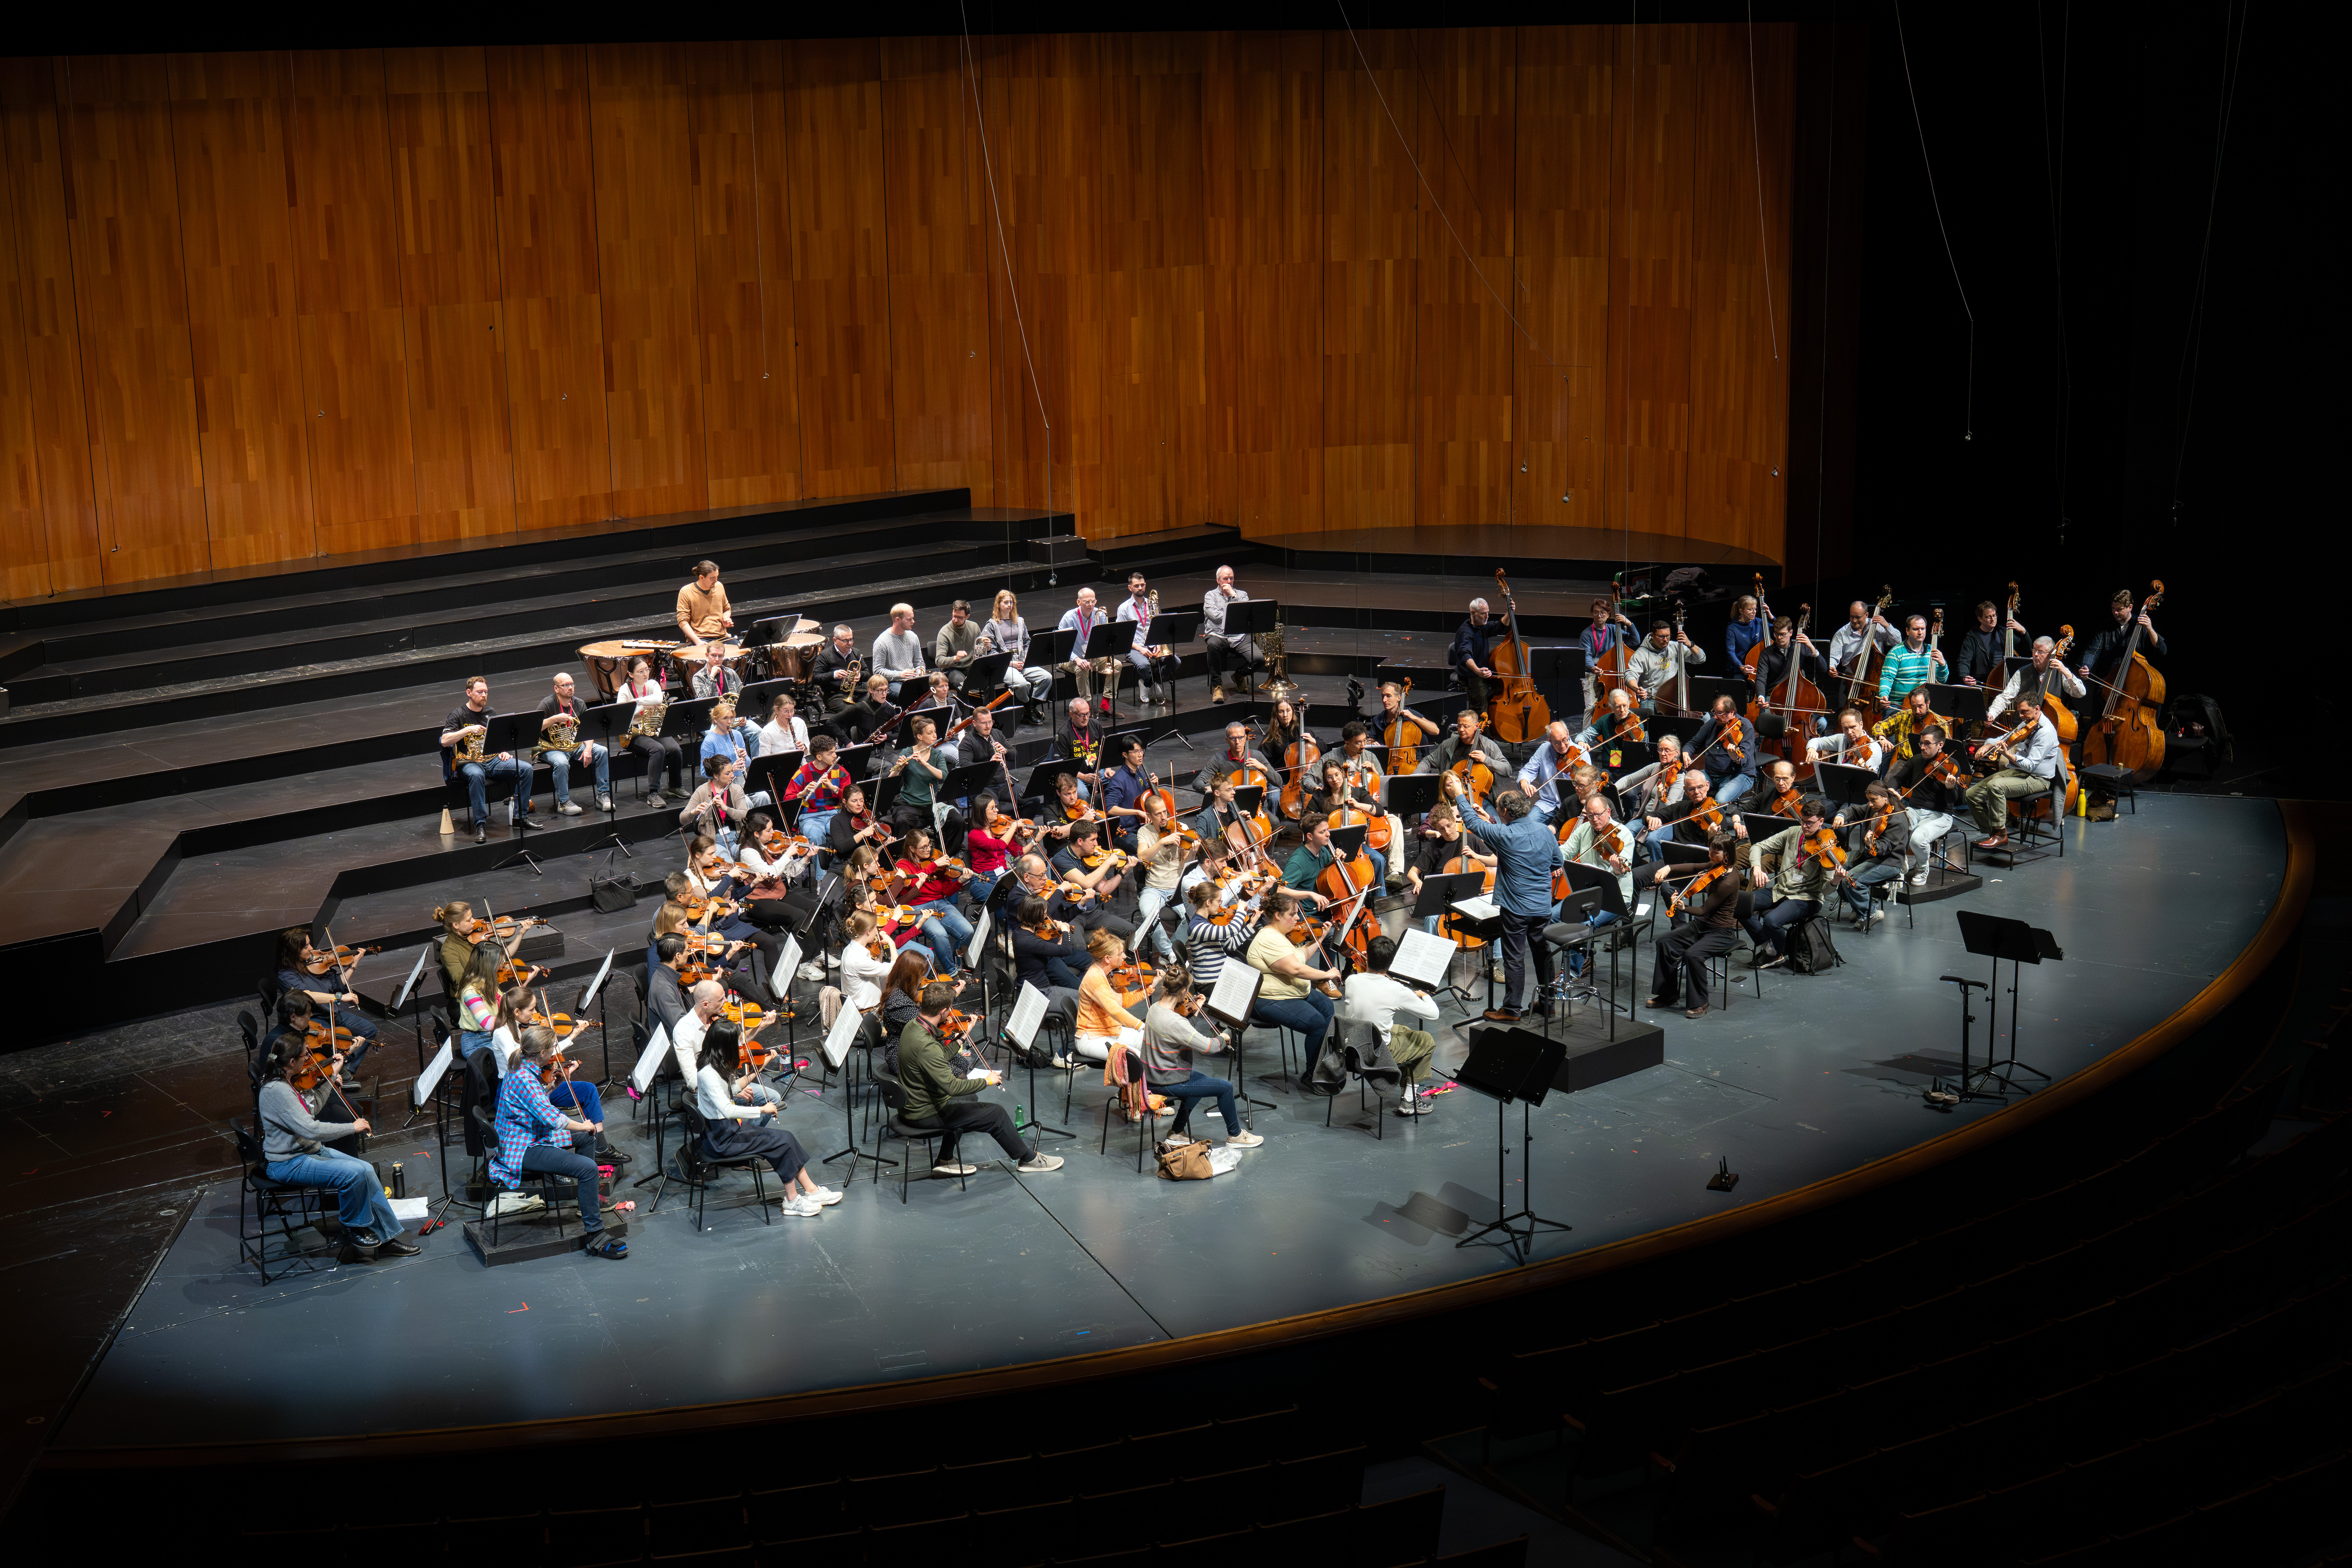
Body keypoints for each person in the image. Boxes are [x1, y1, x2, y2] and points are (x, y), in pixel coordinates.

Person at [258, 1036, 420, 1261]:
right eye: (305, 1055)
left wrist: (330, 1078)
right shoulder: (277, 1091)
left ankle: (388, 1239)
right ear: (292, 1061)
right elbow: (311, 1129)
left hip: (308, 1151)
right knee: (352, 1174)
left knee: (366, 1170)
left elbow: (312, 1107)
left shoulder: (289, 1081)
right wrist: (351, 1128)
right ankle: (351, 1228)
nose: (309, 1059)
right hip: (288, 1162)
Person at [898, 981, 1065, 1175]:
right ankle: (1028, 1160)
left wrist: (962, 1038)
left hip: (913, 1106)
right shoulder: (927, 1045)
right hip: (924, 1114)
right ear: (944, 1011)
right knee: (996, 1114)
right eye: (950, 1008)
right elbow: (952, 1087)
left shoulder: (913, 1027)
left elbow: (938, 1058)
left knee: (970, 1100)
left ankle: (945, 1158)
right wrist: (988, 1080)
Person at [493, 1029, 627, 1258]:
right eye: (553, 1049)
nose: (556, 1053)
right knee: (588, 1166)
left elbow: (533, 1104)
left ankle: (586, 1201)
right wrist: (584, 1124)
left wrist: (551, 1088)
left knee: (588, 1138)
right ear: (543, 1052)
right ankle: (595, 1235)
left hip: (530, 1135)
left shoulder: (522, 1067)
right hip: (523, 1148)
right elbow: (553, 1120)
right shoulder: (524, 1078)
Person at [1444, 775, 1562, 1022]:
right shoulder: (1545, 831)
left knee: (1515, 958)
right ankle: (1549, 1004)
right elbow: (1557, 863)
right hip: (1542, 908)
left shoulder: (1505, 836)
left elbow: (1472, 823)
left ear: (1506, 812)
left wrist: (1460, 795)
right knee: (1543, 954)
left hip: (1517, 910)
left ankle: (1511, 1010)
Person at [697, 1022, 837, 1215]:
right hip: (722, 1140)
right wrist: (762, 1109)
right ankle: (792, 1201)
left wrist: (758, 1070)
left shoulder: (714, 1065)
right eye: (736, 1044)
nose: (740, 1048)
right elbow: (728, 1110)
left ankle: (811, 1191)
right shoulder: (708, 1074)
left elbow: (730, 1089)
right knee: (780, 1143)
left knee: (786, 1138)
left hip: (728, 1131)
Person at [1144, 970, 1261, 1146]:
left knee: (1202, 1082)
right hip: (1167, 1081)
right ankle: (1236, 1136)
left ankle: (1176, 1132)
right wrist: (1226, 1036)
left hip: (1154, 1075)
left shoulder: (1155, 1008)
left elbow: (1181, 1032)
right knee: (1225, 1088)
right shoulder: (1175, 1021)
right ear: (1183, 992)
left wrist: (1195, 1012)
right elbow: (1209, 1047)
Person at [1340, 935, 1440, 1116]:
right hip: (1377, 1054)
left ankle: (1407, 1079)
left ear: (1367, 956)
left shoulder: (1352, 981)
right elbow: (1433, 1015)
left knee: (1403, 1031)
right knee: (1425, 1040)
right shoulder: (1396, 990)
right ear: (1392, 962)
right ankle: (1410, 1100)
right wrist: (1424, 995)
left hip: (1352, 1049)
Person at [1647, 831, 1740, 1018]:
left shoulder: (1729, 882)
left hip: (1722, 932)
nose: (1710, 856)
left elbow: (1704, 910)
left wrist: (1684, 907)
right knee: (1665, 942)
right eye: (1710, 851)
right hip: (1703, 926)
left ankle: (1701, 1002)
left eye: (1715, 853)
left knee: (1693, 955)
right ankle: (1668, 995)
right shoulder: (1716, 865)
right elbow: (1694, 867)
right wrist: (1669, 868)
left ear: (1727, 856)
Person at [440, 676, 539, 842]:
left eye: (486, 692)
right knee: (476, 775)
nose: (484, 695)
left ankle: (519, 818)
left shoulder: (491, 713)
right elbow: (444, 741)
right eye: (480, 692)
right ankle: (481, 825)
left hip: (492, 760)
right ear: (469, 693)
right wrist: (468, 730)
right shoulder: (458, 715)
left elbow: (500, 738)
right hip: (469, 762)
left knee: (526, 769)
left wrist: (504, 751)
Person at [1744, 797, 1840, 968]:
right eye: (1803, 821)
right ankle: (1771, 948)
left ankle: (1780, 950)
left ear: (1822, 822)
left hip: (1806, 898)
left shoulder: (1828, 847)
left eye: (1810, 823)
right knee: (1741, 904)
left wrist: (1836, 881)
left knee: (1772, 921)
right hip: (1781, 890)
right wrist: (1757, 868)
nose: (1805, 827)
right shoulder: (1794, 832)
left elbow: (1824, 892)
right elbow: (1758, 847)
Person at [1246, 890, 1341, 1061]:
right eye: (1293, 914)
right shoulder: (1269, 939)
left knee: (1327, 1006)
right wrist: (1326, 974)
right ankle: (1314, 1074)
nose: (1298, 918)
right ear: (1278, 915)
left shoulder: (1282, 935)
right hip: (1271, 999)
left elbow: (1300, 956)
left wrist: (1320, 939)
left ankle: (1323, 1058)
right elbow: (1294, 969)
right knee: (1318, 1025)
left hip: (1293, 993)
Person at [273, 928, 379, 1067]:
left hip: (332, 1013)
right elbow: (307, 995)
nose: (311, 949)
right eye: (306, 947)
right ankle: (334, 1072)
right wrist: (340, 997)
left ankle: (346, 1068)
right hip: (315, 1018)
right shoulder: (287, 975)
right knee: (331, 1044)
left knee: (370, 1030)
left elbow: (336, 983)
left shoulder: (313, 965)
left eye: (309, 944)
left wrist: (354, 965)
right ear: (293, 951)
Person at [1556, 790, 1633, 978]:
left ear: (1608, 812)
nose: (1595, 819)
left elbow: (1624, 868)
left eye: (1599, 815)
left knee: (1582, 923)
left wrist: (1617, 869)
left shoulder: (1624, 835)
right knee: (1550, 916)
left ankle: (1571, 972)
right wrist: (1553, 856)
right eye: (1590, 816)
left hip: (1614, 900)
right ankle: (1583, 953)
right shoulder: (1584, 829)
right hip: (1587, 894)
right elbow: (1565, 852)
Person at [1965, 707, 2063, 851]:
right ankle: (1992, 831)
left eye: (2025, 712)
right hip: (2019, 772)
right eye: (2020, 712)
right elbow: (2004, 738)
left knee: (1995, 786)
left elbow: (2030, 766)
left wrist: (2008, 755)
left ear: (2037, 709)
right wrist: (1988, 745)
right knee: (1971, 795)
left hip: (2038, 779)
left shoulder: (2046, 732)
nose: (2021, 716)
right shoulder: (2027, 723)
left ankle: (2001, 835)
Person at [891, 826, 976, 974]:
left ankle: (957, 962)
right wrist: (934, 865)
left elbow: (946, 891)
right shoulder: (903, 865)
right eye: (923, 847)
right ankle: (952, 972)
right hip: (918, 908)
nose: (929, 850)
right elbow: (913, 883)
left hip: (941, 904)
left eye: (929, 845)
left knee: (968, 931)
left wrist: (961, 881)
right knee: (940, 934)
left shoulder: (935, 858)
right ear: (912, 849)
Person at [1886, 725, 1965, 885]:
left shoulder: (1952, 765)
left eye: (1927, 744)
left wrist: (1950, 788)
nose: (1923, 747)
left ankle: (1922, 869)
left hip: (1941, 815)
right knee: (1892, 827)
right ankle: (1899, 867)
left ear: (1940, 745)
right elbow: (1898, 778)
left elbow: (1953, 801)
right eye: (1921, 743)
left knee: (1917, 840)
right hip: (1914, 810)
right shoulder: (1917, 760)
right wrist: (1892, 789)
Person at [1402, 797, 1490, 935]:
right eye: (1442, 829)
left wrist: (1476, 856)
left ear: (1455, 822)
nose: (1447, 831)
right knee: (1431, 919)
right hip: (1444, 900)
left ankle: (1496, 956)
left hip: (1471, 897)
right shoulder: (1434, 847)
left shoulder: (1472, 839)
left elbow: (1496, 861)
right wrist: (1418, 881)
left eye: (1449, 826)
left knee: (1492, 916)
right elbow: (1412, 872)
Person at [535, 671, 612, 814]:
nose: (571, 687)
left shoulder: (579, 704)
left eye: (572, 684)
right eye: (566, 685)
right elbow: (534, 728)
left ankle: (603, 796)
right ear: (556, 689)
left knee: (602, 752)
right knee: (562, 763)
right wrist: (554, 719)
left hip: (574, 744)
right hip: (551, 747)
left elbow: (588, 730)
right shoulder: (547, 704)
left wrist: (588, 748)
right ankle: (564, 802)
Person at [616, 657, 685, 806]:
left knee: (675, 750)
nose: (645, 674)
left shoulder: (653, 684)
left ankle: (675, 786)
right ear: (631, 674)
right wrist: (648, 704)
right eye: (640, 672)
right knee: (658, 749)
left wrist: (637, 703)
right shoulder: (625, 690)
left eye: (647, 670)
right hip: (634, 733)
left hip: (653, 728)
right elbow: (622, 714)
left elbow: (659, 699)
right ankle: (653, 794)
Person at [1838, 782, 1909, 924]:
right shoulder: (1874, 809)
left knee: (1852, 882)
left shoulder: (1898, 820)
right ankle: (1861, 908)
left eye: (1873, 800)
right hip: (1872, 859)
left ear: (1885, 798)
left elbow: (1886, 847)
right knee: (1840, 877)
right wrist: (1842, 815)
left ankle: (1870, 913)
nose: (1870, 804)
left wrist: (1871, 844)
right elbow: (1855, 810)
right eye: (1869, 800)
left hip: (1890, 862)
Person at [1130, 793, 1189, 965]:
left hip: (1177, 888)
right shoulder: (1144, 832)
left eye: (1165, 812)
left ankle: (1170, 951)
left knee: (1193, 917)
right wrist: (1162, 843)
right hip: (1153, 888)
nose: (1164, 817)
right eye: (1158, 814)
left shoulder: (1180, 827)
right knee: (1149, 914)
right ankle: (1171, 954)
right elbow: (1142, 857)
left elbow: (1186, 861)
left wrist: (1191, 850)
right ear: (1149, 816)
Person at [984, 589, 1054, 723]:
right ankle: (1028, 708)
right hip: (1005, 666)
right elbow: (992, 653)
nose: (1009, 605)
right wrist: (1011, 664)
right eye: (1006, 602)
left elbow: (1027, 642)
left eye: (1011, 602)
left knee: (1047, 678)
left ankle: (1030, 710)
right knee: (1022, 685)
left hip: (1023, 662)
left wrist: (1026, 659)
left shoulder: (1020, 621)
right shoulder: (992, 625)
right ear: (999, 605)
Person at [886, 713, 957, 842]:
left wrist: (925, 764)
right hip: (909, 804)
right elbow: (891, 779)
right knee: (902, 821)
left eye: (935, 732)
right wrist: (899, 769)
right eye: (930, 733)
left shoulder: (937, 754)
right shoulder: (907, 753)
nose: (935, 736)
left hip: (931, 804)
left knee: (957, 820)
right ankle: (905, 857)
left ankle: (948, 852)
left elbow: (945, 777)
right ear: (920, 737)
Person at [1986, 635, 2087, 726]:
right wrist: (1992, 714)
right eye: (2035, 650)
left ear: (2051, 654)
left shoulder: (2061, 672)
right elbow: (2005, 697)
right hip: (2023, 726)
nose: (2036, 655)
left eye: (2041, 652)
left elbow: (2080, 693)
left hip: (2050, 727)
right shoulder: (2022, 672)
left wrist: (2066, 672)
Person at [2078, 589, 2167, 691]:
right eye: (2113, 608)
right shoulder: (2106, 626)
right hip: (2107, 683)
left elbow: (2162, 650)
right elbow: (2093, 651)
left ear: (2130, 608)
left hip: (2133, 684)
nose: (2115, 612)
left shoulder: (2141, 626)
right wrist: (2086, 666)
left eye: (2119, 609)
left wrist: (2150, 629)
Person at [1201, 564, 1264, 703]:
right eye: (1225, 579)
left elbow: (1246, 613)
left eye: (1231, 578)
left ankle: (1240, 675)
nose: (1229, 582)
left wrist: (1233, 595)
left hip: (1239, 636)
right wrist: (1236, 613)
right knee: (1212, 646)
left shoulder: (1242, 595)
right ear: (1218, 581)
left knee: (1260, 660)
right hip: (1218, 635)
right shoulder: (1210, 596)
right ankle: (1217, 686)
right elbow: (1216, 617)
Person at [1115, 571, 1179, 703]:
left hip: (1153, 644)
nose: (1140, 588)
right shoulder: (1124, 609)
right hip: (1134, 647)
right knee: (1144, 665)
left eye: (1143, 585)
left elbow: (1159, 627)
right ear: (1130, 588)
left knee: (1176, 661)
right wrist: (1140, 649)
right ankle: (1153, 683)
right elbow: (1122, 637)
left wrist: (1159, 644)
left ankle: (1148, 684)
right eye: (1137, 586)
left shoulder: (1152, 604)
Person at [1057, 587, 1122, 712]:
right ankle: (1086, 708)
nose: (1091, 605)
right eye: (1087, 602)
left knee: (1117, 665)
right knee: (1082, 668)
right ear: (1079, 602)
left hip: (1092, 655)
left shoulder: (1101, 614)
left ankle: (1105, 705)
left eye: (1093, 601)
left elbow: (1106, 638)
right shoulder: (1069, 617)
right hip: (1069, 657)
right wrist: (1076, 659)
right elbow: (1061, 645)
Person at [1687, 694, 1759, 807]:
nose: (1715, 717)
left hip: (1736, 775)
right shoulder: (1714, 723)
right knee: (1689, 788)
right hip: (1710, 774)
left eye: (1719, 713)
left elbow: (1745, 758)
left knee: (1720, 800)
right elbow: (1694, 743)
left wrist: (1735, 756)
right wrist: (1686, 752)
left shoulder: (1746, 727)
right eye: (1714, 712)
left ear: (1731, 713)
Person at [680, 755, 757, 858]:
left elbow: (744, 815)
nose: (732, 776)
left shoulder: (737, 789)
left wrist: (726, 809)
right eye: (728, 773)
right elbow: (683, 819)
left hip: (737, 838)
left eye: (732, 772)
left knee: (752, 857)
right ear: (716, 776)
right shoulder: (702, 791)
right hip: (715, 842)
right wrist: (693, 812)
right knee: (728, 863)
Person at [784, 734, 852, 848]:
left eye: (835, 752)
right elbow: (787, 801)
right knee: (815, 837)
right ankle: (822, 867)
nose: (835, 756)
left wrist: (834, 789)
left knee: (847, 833)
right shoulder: (803, 773)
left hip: (834, 814)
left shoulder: (841, 771)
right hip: (810, 817)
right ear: (819, 757)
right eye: (831, 754)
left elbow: (850, 798)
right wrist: (802, 794)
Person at [1517, 721, 1591, 826]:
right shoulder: (1544, 749)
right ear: (1550, 741)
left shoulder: (1582, 754)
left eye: (1565, 740)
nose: (1562, 746)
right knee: (1527, 826)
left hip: (1573, 807)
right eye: (1557, 743)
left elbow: (1589, 787)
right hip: (1548, 804)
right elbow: (1528, 771)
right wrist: (1525, 783)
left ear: (1568, 734)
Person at [1626, 617, 1704, 712]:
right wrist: (1637, 689)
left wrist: (1690, 644)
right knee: (1649, 720)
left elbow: (1701, 659)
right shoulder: (1641, 654)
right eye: (1662, 637)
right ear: (1652, 635)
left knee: (1705, 717)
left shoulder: (1675, 647)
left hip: (1677, 696)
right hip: (1653, 698)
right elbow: (1630, 675)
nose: (1666, 640)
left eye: (1668, 636)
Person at [700, 703, 771, 806]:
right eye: (725, 719)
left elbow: (748, 763)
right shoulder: (709, 742)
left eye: (732, 718)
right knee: (746, 803)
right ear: (716, 719)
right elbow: (704, 772)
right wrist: (730, 771)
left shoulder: (737, 735)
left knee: (764, 797)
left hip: (741, 782)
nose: (729, 722)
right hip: (722, 785)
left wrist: (745, 758)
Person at [1449, 597, 1510, 715]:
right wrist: (1477, 670)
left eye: (1488, 613)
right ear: (1473, 613)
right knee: (1481, 711)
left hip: (1485, 672)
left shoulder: (1482, 626)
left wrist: (1510, 612)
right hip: (1472, 677)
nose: (1488, 616)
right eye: (1484, 614)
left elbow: (1500, 626)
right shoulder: (1466, 633)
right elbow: (1464, 653)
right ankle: (1481, 731)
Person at [1577, 597, 1638, 712]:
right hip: (1593, 672)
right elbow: (1586, 655)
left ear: (1609, 615)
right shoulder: (1587, 634)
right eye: (1596, 613)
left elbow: (1636, 641)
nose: (1599, 616)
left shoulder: (1614, 629)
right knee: (1591, 708)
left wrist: (1629, 624)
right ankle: (1588, 731)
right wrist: (1592, 667)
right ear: (1592, 614)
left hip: (1611, 672)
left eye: (1603, 613)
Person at [1876, 614, 1948, 706]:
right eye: (1916, 629)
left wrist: (1943, 665)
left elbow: (1941, 681)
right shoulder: (1896, 653)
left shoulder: (1932, 651)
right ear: (1907, 631)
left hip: (1926, 705)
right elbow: (1887, 678)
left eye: (1923, 629)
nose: (1920, 633)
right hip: (1899, 705)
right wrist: (1884, 695)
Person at [1416, 708, 1510, 779]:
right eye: (1459, 726)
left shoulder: (1489, 746)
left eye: (1466, 727)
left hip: (1481, 797)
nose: (1461, 730)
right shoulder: (1449, 744)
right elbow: (1428, 761)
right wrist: (1415, 776)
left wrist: (1486, 760)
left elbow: (1507, 770)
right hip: (1452, 794)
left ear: (1477, 726)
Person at [1956, 598, 2029, 688]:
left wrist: (2024, 632)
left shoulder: (2004, 633)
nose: (1993, 619)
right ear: (1980, 619)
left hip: (2006, 681)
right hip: (1985, 683)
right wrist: (1964, 676)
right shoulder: (1972, 638)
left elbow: (2028, 649)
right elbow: (1964, 660)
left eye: (1995, 616)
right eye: (1988, 617)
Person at [1098, 734, 1152, 854]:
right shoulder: (1119, 779)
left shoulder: (1140, 774)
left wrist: (1154, 788)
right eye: (1136, 752)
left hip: (1143, 827)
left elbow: (1146, 801)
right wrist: (1137, 812)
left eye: (1141, 751)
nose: (1140, 755)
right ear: (1125, 755)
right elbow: (1110, 809)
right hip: (1126, 832)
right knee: (1146, 852)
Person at [1871, 685, 1949, 764]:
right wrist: (1882, 738)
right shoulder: (1904, 716)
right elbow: (1879, 726)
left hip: (1928, 763)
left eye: (1921, 706)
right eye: (1914, 707)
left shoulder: (1940, 723)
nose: (1917, 711)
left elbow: (1944, 750)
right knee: (1890, 777)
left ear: (1928, 703)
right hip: (1905, 762)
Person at [1808, 705, 1887, 776]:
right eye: (1845, 728)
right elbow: (1817, 742)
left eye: (1853, 727)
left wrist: (1859, 770)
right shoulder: (1842, 739)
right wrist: (1812, 749)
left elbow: (1867, 779)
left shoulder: (1874, 748)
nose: (1849, 732)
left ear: (1861, 725)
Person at [870, 602, 926, 703]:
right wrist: (900, 674)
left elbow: (919, 663)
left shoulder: (913, 636)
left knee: (933, 693)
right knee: (909, 698)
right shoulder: (882, 642)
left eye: (912, 618)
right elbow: (878, 671)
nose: (913, 622)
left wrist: (919, 675)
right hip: (894, 682)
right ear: (898, 620)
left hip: (913, 680)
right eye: (909, 620)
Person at [1201, 721, 1276, 790]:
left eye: (1241, 738)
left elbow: (1279, 782)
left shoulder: (1257, 756)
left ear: (1246, 738)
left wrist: (1264, 768)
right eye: (1233, 739)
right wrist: (1208, 788)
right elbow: (1199, 781)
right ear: (1227, 740)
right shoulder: (1219, 759)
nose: (1237, 742)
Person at [675, 559, 733, 649]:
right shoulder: (686, 591)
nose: (716, 581)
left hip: (723, 637)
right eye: (712, 578)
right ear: (702, 577)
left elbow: (726, 609)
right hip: (701, 638)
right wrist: (697, 640)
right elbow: (683, 621)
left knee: (745, 651)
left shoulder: (719, 586)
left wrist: (725, 618)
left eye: (717, 577)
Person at [812, 623, 861, 715]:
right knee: (855, 712)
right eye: (846, 641)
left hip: (857, 692)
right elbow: (815, 678)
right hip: (834, 695)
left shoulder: (856, 653)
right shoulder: (825, 655)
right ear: (835, 640)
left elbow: (867, 672)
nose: (850, 643)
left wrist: (860, 675)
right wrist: (834, 675)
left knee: (873, 706)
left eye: (851, 640)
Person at [933, 599, 982, 692]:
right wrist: (955, 659)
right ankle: (966, 707)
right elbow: (939, 661)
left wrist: (988, 648)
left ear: (967, 617)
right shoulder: (945, 633)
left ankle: (989, 707)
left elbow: (981, 653)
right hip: (952, 670)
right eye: (954, 616)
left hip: (970, 667)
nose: (956, 620)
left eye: (960, 618)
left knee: (989, 679)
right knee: (961, 684)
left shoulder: (974, 627)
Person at [1725, 591, 1769, 673]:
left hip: (1756, 666)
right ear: (1741, 611)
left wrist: (1771, 616)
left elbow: (1779, 629)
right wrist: (1742, 667)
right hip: (1739, 668)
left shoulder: (1758, 622)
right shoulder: (1732, 628)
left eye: (1755, 609)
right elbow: (1730, 652)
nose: (1754, 612)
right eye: (1750, 610)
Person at [757, 691, 810, 760]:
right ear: (777, 711)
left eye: (792, 710)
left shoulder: (800, 723)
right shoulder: (767, 732)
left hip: (800, 765)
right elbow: (764, 760)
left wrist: (805, 748)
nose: (790, 715)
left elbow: (808, 750)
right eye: (786, 711)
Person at [689, 639, 743, 703]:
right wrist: (712, 677)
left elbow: (743, 696)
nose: (717, 659)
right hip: (712, 712)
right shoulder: (699, 677)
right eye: (714, 655)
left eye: (720, 656)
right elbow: (703, 701)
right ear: (707, 656)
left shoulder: (731, 673)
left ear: (723, 657)